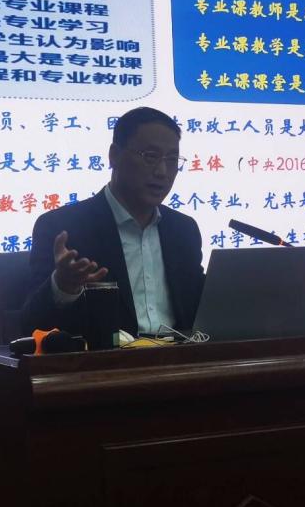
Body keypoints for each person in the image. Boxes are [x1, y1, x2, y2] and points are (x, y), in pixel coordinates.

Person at [19, 107, 204, 338]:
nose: (162, 171)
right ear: (114, 155)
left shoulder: (184, 230)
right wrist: (63, 286)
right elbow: (29, 325)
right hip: (107, 358)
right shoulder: (63, 228)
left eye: (172, 159)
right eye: (150, 156)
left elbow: (200, 309)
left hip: (182, 356)